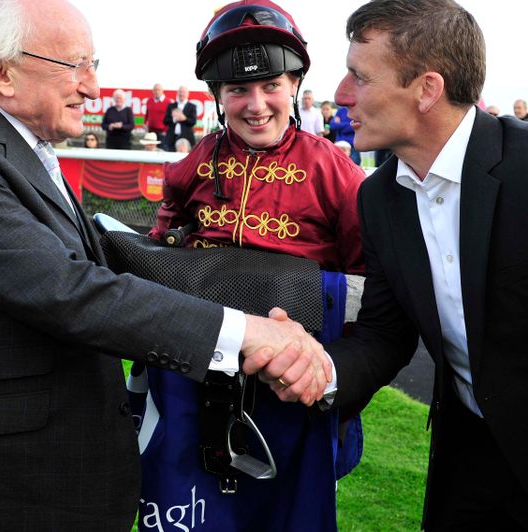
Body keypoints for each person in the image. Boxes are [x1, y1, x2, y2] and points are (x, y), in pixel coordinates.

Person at [0, 0, 329, 529]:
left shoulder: (17, 147)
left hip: (18, 478)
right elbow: (68, 289)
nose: (93, 87)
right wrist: (248, 335)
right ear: (2, 73)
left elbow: (113, 261)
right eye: (78, 66)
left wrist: (305, 295)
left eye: (95, 65)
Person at [247, 0, 528, 530]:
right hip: (464, 473)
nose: (341, 94)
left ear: (427, 89)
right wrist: (317, 369)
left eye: (359, 76)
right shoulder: (378, 198)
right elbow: (383, 334)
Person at [145, 1, 365, 530]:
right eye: (239, 90)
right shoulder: (192, 165)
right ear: (218, 97)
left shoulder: (337, 171)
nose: (256, 104)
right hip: (200, 371)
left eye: (271, 85)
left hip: (293, 384)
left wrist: (335, 374)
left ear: (294, 85)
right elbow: (162, 248)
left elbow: (365, 286)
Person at [163, 85, 197, 151]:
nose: (181, 94)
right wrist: (174, 119)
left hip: (186, 137)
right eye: (180, 92)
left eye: (183, 92)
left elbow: (193, 121)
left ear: (187, 94)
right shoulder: (171, 106)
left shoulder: (192, 106)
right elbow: (165, 121)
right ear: (177, 93)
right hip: (171, 138)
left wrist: (184, 118)